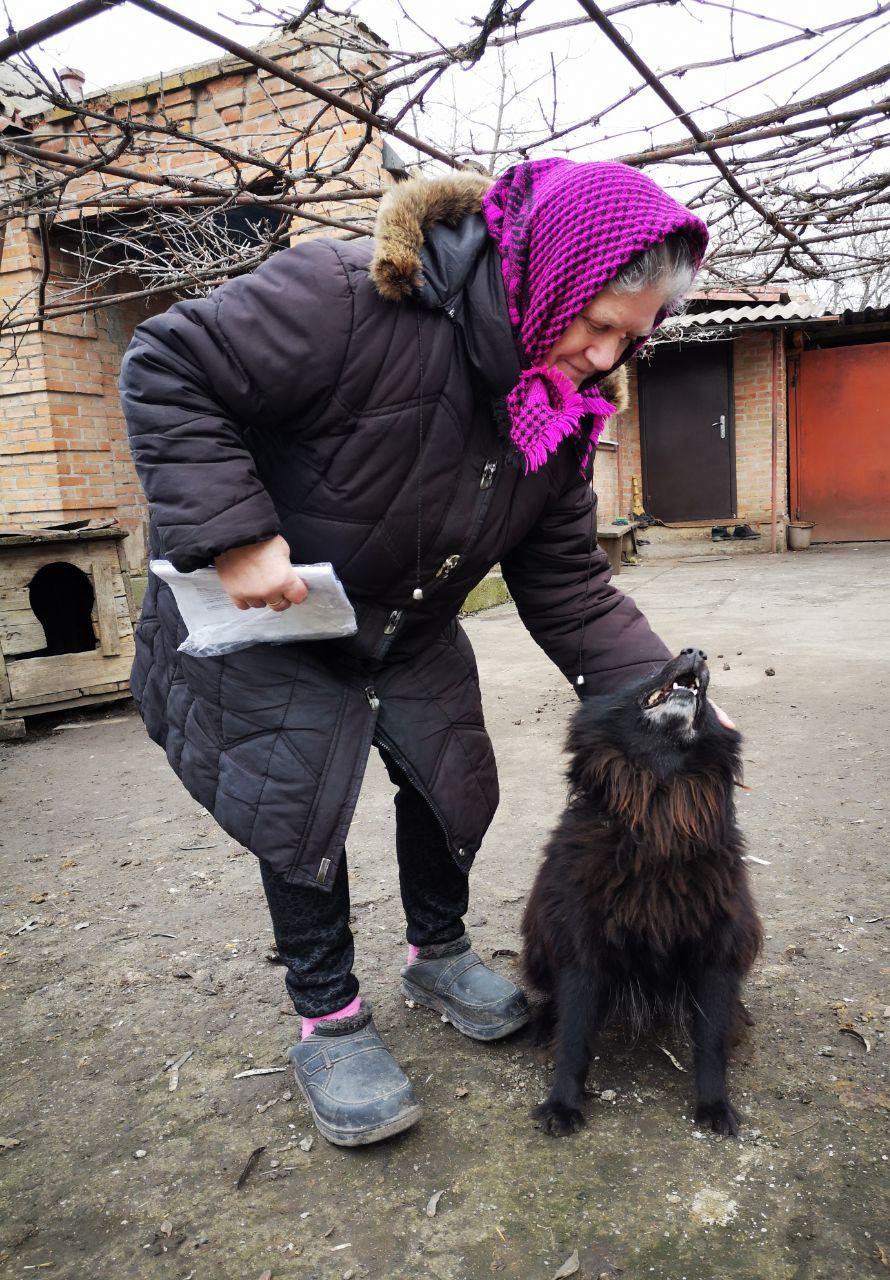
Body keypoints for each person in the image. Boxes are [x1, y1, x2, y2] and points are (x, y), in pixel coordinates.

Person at [120, 157, 715, 1148]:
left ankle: (436, 950)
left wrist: (669, 699)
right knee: (295, 799)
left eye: (634, 338)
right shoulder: (347, 299)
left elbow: (567, 582)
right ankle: (329, 1014)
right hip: (273, 608)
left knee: (451, 780)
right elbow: (168, 362)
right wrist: (234, 530)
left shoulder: (555, 414)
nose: (609, 356)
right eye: (599, 323)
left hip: (407, 619)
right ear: (551, 273)